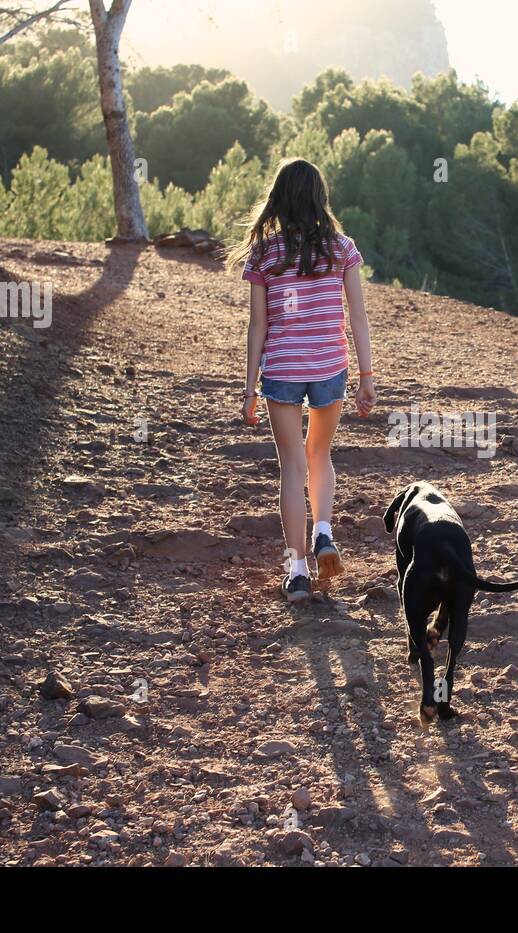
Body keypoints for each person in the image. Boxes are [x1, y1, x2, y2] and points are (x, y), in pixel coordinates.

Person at [230, 158, 375, 602]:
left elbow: (258, 325)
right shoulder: (342, 248)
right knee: (320, 454)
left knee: (292, 468)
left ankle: (296, 571)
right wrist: (367, 376)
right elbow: (358, 317)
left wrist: (249, 386)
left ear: (279, 199)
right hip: (330, 367)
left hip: (283, 370)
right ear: (319, 197)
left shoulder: (265, 254)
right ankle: (325, 533)